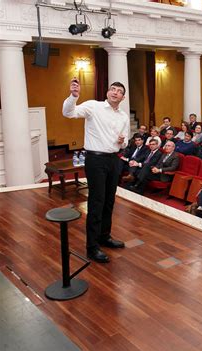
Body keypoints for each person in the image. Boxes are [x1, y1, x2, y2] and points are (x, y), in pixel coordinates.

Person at [62, 79, 129, 263]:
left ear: (123, 97)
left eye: (119, 91)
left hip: (114, 160)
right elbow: (68, 113)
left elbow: (125, 141)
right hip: (95, 160)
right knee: (96, 202)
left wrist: (123, 141)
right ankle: (92, 247)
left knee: (109, 201)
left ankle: (104, 237)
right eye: (112, 89)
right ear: (108, 92)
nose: (115, 92)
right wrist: (73, 97)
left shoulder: (123, 116)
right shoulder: (93, 106)